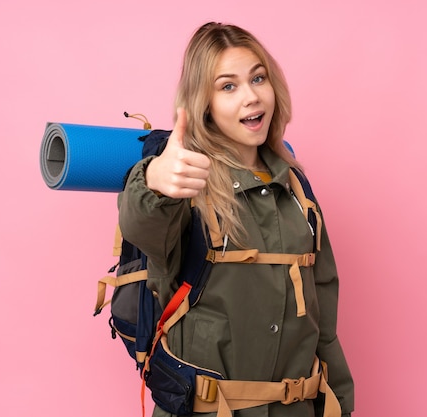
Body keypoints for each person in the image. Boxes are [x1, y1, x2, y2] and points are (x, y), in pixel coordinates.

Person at [119, 22, 354, 417]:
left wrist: (340, 404)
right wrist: (155, 182)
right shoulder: (184, 183)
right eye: (228, 86)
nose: (251, 96)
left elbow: (322, 320)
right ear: (203, 103)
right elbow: (143, 226)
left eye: (258, 78)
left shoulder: (298, 191)